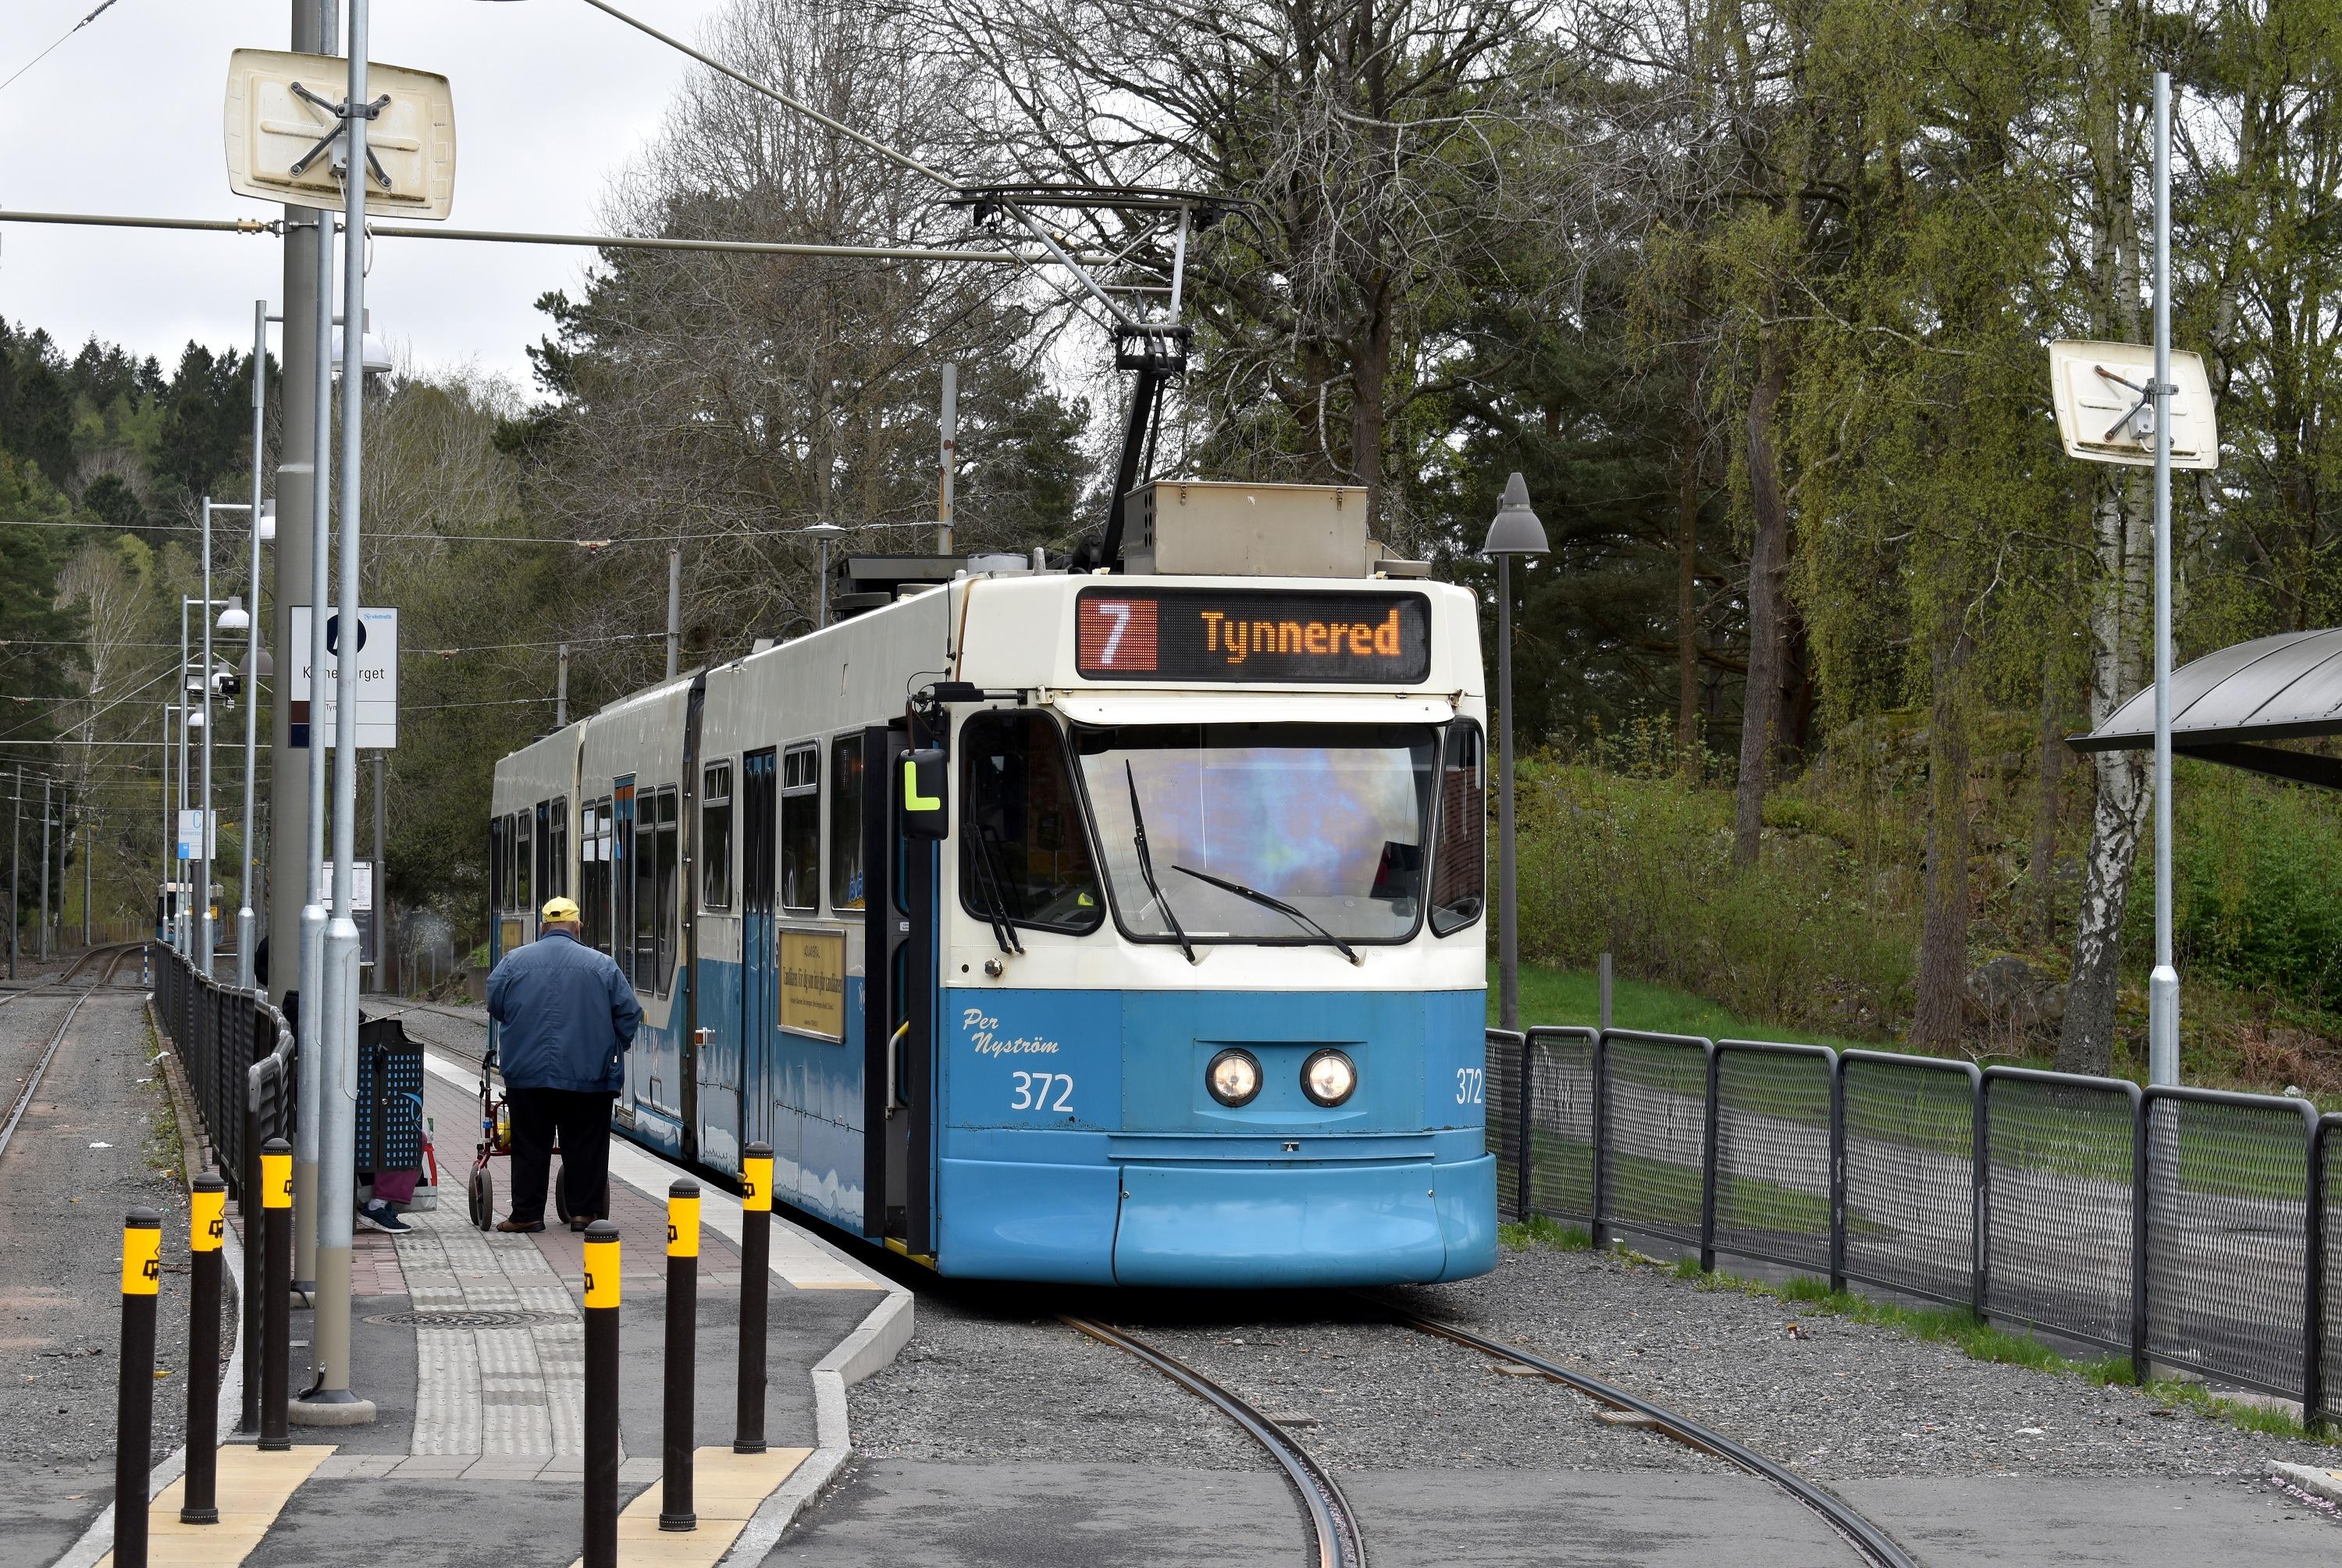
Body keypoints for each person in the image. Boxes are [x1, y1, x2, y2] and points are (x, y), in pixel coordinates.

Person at [485, 895, 640, 1233]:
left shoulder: (513, 962)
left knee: (529, 1145)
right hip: (589, 1076)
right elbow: (629, 1014)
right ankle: (584, 1213)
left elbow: (495, 1003)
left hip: (528, 1075)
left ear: (542, 926)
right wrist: (612, 1045)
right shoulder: (603, 965)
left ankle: (527, 1214)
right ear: (578, 927)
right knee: (586, 1145)